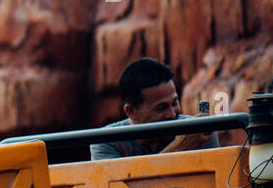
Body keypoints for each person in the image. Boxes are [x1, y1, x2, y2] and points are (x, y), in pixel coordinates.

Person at [90, 58, 219, 160]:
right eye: (161, 108)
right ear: (131, 111)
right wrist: (178, 149)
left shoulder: (199, 134)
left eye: (174, 103)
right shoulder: (106, 142)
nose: (172, 114)